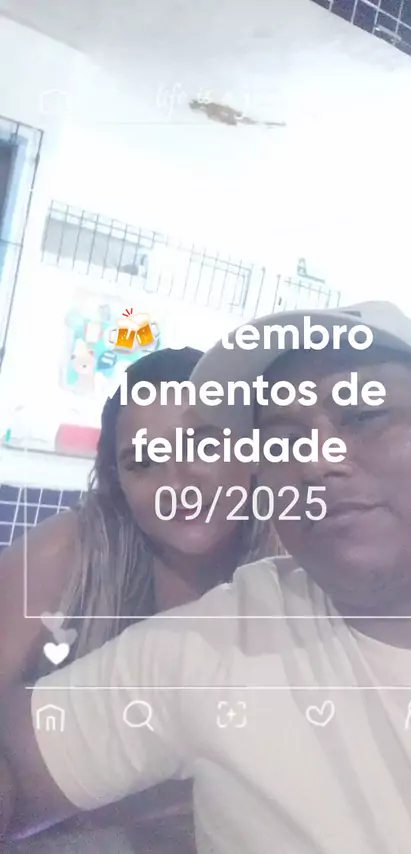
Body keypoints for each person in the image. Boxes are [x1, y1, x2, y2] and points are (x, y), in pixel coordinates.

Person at [0, 302, 411, 854]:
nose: (317, 460)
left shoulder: (281, 556)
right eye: (283, 439)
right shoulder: (215, 633)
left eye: (364, 416)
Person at [0, 346, 281, 853]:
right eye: (144, 462)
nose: (178, 481)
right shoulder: (66, 557)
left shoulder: (295, 574)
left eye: (203, 445)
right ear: (117, 483)